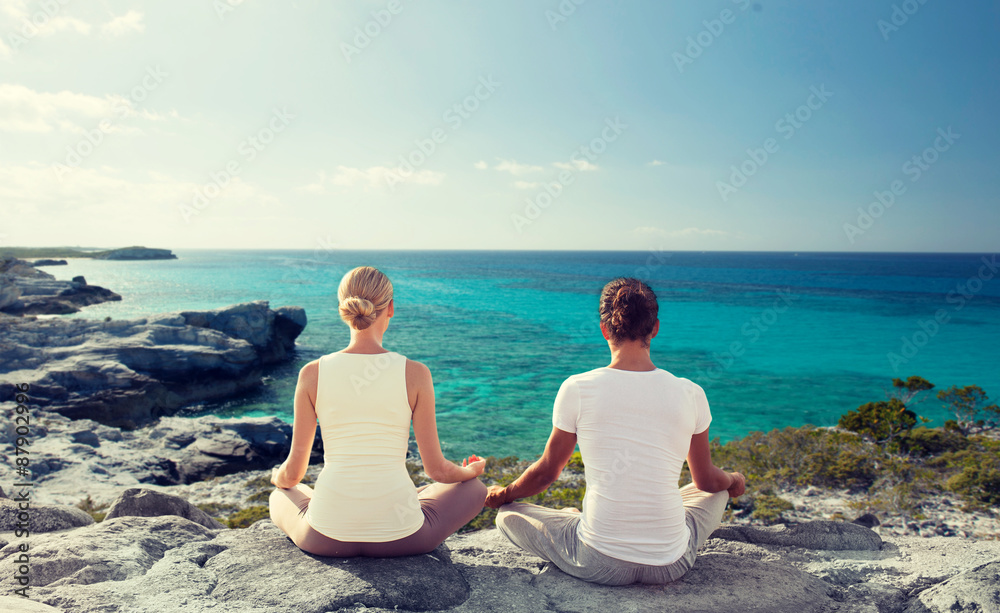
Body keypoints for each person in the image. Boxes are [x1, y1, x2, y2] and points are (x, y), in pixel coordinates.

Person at [484, 277, 746, 585]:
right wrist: (734, 481)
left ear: (605, 329)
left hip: (599, 561)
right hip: (672, 563)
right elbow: (705, 480)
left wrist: (505, 494)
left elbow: (546, 473)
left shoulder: (578, 388)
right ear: (655, 328)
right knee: (717, 492)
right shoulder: (690, 393)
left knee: (507, 517)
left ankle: (579, 521)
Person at [269, 266, 488, 557]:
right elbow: (436, 470)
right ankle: (411, 499)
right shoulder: (416, 373)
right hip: (405, 538)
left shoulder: (312, 373)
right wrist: (469, 471)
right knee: (475, 490)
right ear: (391, 308)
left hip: (323, 537)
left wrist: (277, 478)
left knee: (279, 494)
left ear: (342, 309)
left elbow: (294, 474)